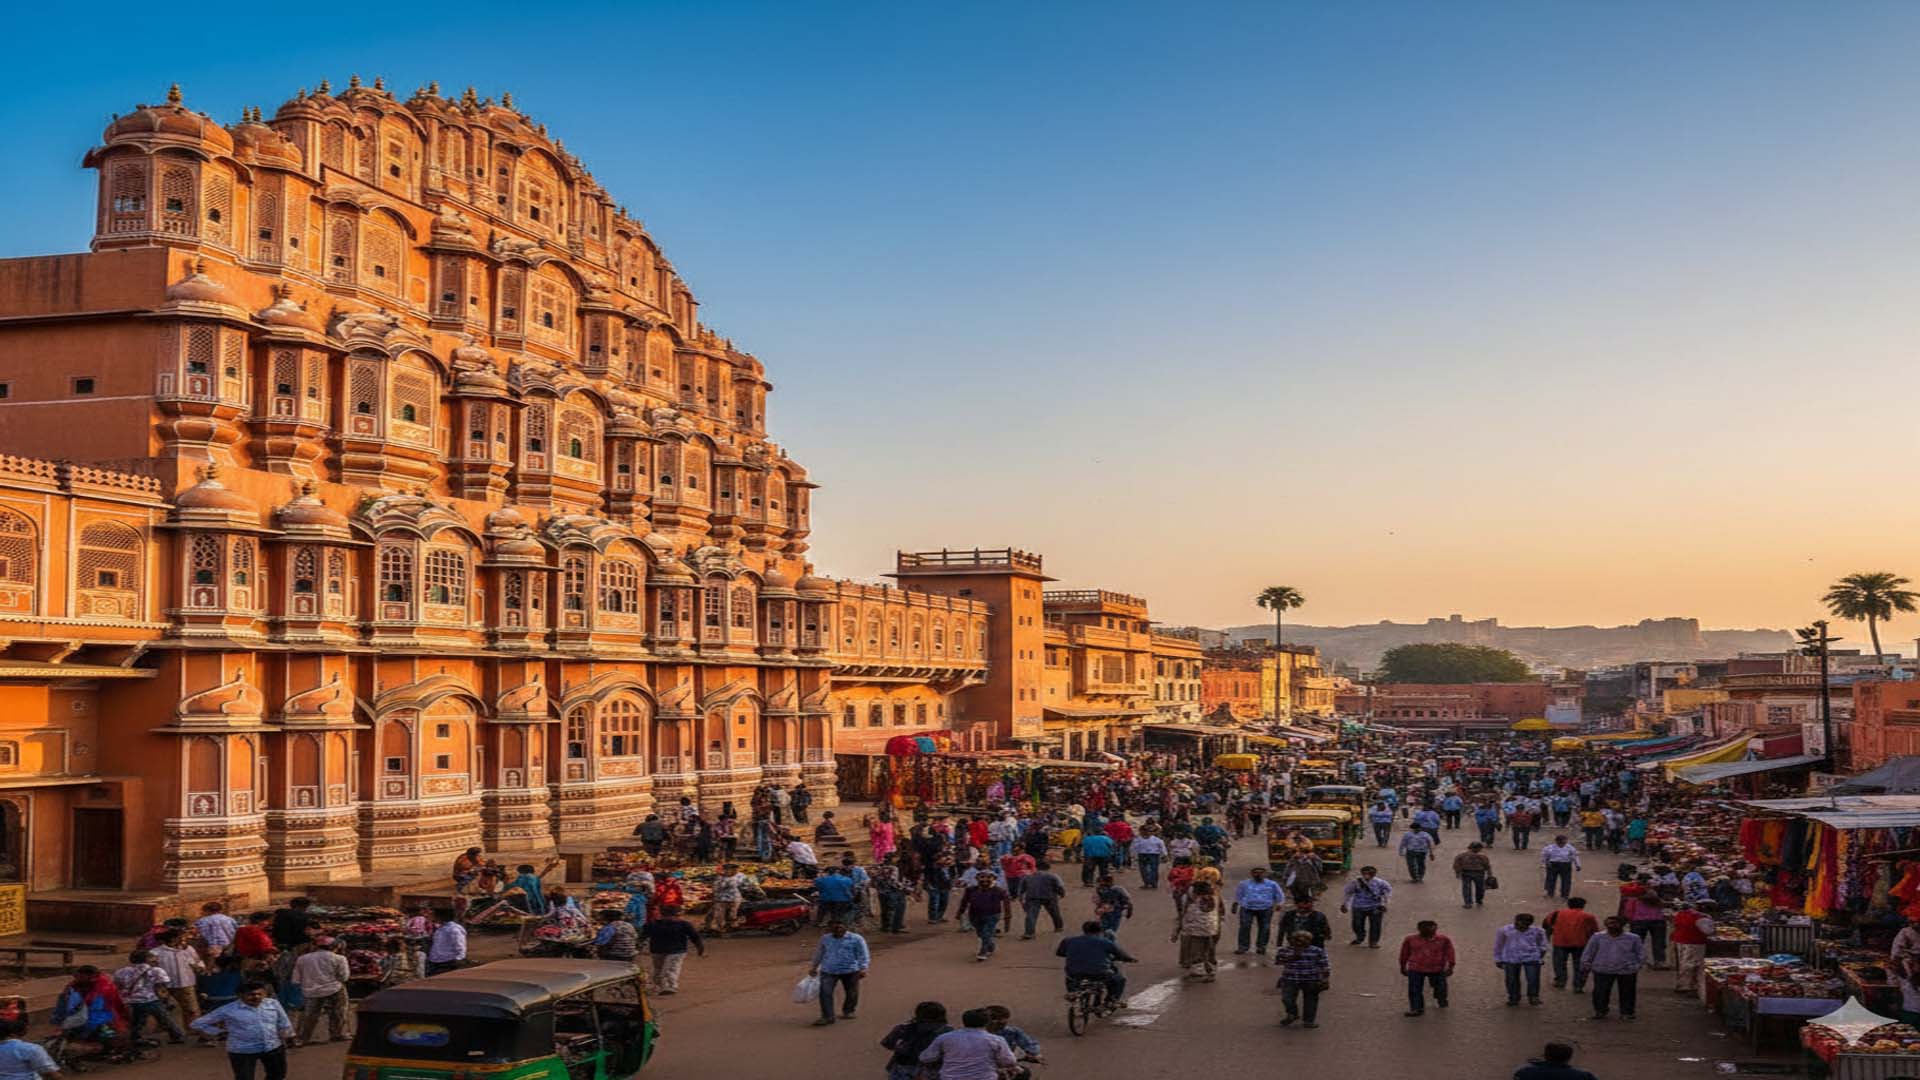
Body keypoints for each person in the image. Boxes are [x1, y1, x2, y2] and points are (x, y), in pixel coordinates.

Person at [190, 981, 292, 1080]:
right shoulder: (228, 1010)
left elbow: (284, 1021)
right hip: (243, 1050)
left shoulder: (273, 1004)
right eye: (251, 994)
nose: (256, 997)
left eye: (260, 994)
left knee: (278, 1075)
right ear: (240, 995)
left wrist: (288, 1037)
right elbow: (197, 1024)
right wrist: (218, 1032)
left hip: (272, 1047)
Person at [917, 1008, 1015, 1080]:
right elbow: (1009, 1061)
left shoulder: (945, 1038)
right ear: (987, 1023)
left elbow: (925, 1058)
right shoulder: (996, 1040)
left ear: (964, 1021)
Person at [1580, 915, 1645, 1020]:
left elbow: (1640, 954)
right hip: (1602, 968)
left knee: (1627, 992)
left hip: (1626, 970)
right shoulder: (1598, 937)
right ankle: (1600, 1011)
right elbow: (1589, 951)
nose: (1612, 926)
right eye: (1609, 923)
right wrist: (1586, 963)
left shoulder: (1633, 938)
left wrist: (1637, 966)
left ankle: (1627, 1012)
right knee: (1600, 992)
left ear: (1622, 925)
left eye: (1615, 923)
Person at [113, 949, 183, 1045]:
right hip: (151, 999)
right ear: (147, 959)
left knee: (137, 1021)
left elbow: (118, 985)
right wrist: (164, 998)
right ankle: (176, 1036)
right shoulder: (156, 971)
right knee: (164, 1018)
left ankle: (135, 1037)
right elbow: (162, 986)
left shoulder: (122, 971)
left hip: (133, 1001)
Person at [1057, 920, 1134, 1007]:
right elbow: (1120, 954)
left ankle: (1072, 991)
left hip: (1074, 973)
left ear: (1084, 930)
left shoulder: (1068, 940)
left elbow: (1060, 953)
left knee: (1070, 977)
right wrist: (1130, 959)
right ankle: (1112, 1000)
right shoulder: (1105, 942)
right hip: (1100, 973)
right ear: (1100, 931)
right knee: (1119, 979)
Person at [290, 937, 350, 1046]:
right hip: (334, 988)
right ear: (334, 947)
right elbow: (344, 977)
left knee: (309, 1015)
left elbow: (296, 979)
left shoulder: (302, 959)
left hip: (310, 991)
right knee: (339, 1011)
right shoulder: (339, 958)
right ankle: (337, 1033)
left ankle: (302, 1038)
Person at [150, 928, 207, 1043]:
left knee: (192, 1009)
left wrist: (200, 968)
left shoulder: (188, 950)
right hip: (164, 986)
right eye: (182, 938)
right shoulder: (155, 953)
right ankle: (171, 1031)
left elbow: (198, 961)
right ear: (173, 939)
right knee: (164, 1010)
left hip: (186, 983)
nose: (185, 940)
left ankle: (193, 1030)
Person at [808, 921, 868, 1026]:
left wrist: (863, 968)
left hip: (850, 970)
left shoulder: (856, 938)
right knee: (825, 993)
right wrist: (814, 967)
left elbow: (863, 953)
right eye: (835, 928)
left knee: (852, 992)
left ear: (845, 928)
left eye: (840, 927)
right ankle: (828, 1016)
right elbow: (819, 953)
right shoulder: (825, 939)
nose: (838, 930)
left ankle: (848, 1011)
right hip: (829, 970)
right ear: (830, 929)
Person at [639, 906, 704, 995]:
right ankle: (662, 986)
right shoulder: (683, 924)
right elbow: (695, 937)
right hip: (671, 950)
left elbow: (642, 936)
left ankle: (667, 986)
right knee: (664, 969)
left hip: (665, 951)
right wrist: (700, 948)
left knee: (665, 968)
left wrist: (638, 945)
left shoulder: (653, 924)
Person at [1274, 929, 1331, 1028]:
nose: (1300, 942)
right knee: (1287, 999)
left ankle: (1308, 1021)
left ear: (1309, 940)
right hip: (1290, 978)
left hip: (1311, 979)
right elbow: (1278, 962)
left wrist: (1325, 979)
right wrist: (1291, 957)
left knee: (1311, 1001)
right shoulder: (1285, 950)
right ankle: (1292, 1013)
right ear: (1292, 940)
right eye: (1297, 940)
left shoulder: (1317, 951)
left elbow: (1325, 966)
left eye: (1304, 940)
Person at [881, 1002, 952, 1080]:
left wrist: (900, 1048)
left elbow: (887, 1043)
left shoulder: (903, 1028)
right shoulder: (947, 1030)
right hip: (932, 1069)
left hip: (903, 1066)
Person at [1398, 920, 1455, 1017]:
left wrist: (1451, 966)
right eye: (1426, 928)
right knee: (1414, 989)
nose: (1430, 931)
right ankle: (1416, 1008)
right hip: (1416, 968)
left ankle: (1440, 998)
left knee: (1440, 987)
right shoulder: (1410, 940)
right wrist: (1403, 966)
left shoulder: (1443, 940)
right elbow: (1404, 953)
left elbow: (1450, 952)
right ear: (1419, 929)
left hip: (1437, 968)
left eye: (1432, 928)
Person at [1545, 897, 1600, 991]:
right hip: (1580, 943)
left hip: (1560, 941)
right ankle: (1578, 985)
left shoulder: (1557, 913)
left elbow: (1547, 925)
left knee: (1559, 963)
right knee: (1579, 964)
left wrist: (1547, 938)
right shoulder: (1588, 916)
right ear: (1583, 905)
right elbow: (1594, 931)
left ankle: (1560, 981)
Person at [1494, 913, 1549, 1007]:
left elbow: (1542, 944)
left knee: (1533, 978)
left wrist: (1539, 956)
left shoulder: (1538, 931)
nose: (1520, 926)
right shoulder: (1504, 930)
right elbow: (1498, 945)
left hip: (1531, 957)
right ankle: (1513, 997)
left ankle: (1533, 996)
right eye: (1517, 924)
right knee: (1511, 979)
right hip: (1510, 957)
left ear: (1529, 924)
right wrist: (1498, 958)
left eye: (1523, 925)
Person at [1173, 882, 1222, 981]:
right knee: (1208, 950)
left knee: (1196, 951)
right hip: (1211, 929)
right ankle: (1210, 971)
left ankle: (1199, 973)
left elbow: (1184, 913)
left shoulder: (1191, 899)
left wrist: (1178, 930)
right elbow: (1220, 913)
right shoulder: (1215, 898)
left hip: (1195, 930)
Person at [959, 872, 1012, 961]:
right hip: (974, 915)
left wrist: (1008, 916)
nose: (985, 880)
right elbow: (964, 901)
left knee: (986, 932)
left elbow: (1007, 904)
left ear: (993, 879)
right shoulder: (971, 890)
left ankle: (983, 952)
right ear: (977, 879)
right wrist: (960, 912)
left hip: (992, 915)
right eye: (982, 877)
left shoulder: (999, 891)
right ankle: (990, 945)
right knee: (981, 933)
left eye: (988, 878)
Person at [1232, 866, 1284, 955]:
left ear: (1265, 874)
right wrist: (1235, 904)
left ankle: (1261, 947)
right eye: (1256, 872)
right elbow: (1238, 895)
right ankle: (1243, 947)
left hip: (1266, 908)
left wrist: (1279, 904)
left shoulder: (1272, 884)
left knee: (1265, 928)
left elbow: (1279, 894)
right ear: (1252, 874)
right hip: (1247, 908)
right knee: (1245, 926)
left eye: (1261, 872)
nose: (1258, 874)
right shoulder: (1244, 884)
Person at [1670, 900, 1716, 995]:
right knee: (1692, 964)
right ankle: (1688, 986)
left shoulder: (1682, 913)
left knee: (1683, 962)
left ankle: (1682, 984)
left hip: (1680, 940)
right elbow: (1708, 931)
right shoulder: (1702, 918)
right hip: (1694, 942)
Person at [1340, 865, 1392, 947]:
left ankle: (1373, 942)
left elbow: (1387, 893)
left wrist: (1383, 904)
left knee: (1376, 926)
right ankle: (1359, 937)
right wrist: (1345, 904)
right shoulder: (1355, 882)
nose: (1367, 876)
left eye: (1369, 874)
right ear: (1362, 873)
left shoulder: (1381, 883)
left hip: (1375, 907)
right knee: (1357, 925)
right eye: (1365, 874)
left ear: (1374, 874)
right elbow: (1348, 893)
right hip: (1358, 906)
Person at [1019, 860, 1067, 939]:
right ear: (1048, 868)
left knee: (1031, 915)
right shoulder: (1052, 876)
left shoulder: (1028, 877)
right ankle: (1059, 927)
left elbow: (1021, 889)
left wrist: (1021, 898)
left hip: (1032, 897)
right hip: (1049, 897)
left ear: (1036, 868)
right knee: (1054, 912)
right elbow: (1058, 887)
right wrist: (1062, 894)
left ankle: (1029, 933)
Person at [1513, 1041, 1599, 1080]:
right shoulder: (1583, 1076)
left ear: (1546, 1056)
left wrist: (1537, 1063)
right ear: (1568, 1058)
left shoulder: (1525, 1072)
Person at [706, 863, 751, 934]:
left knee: (732, 914)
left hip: (735, 898)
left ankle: (731, 927)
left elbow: (746, 885)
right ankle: (719, 929)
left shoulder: (741, 876)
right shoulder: (720, 877)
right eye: (727, 869)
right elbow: (716, 888)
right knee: (719, 915)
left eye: (735, 869)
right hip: (721, 899)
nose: (731, 871)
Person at [425, 908, 466, 976]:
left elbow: (460, 946)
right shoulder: (441, 928)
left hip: (447, 962)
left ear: (441, 916)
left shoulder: (454, 929)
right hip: (435, 961)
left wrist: (459, 960)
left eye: (435, 915)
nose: (433, 917)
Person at [1540, 835, 1581, 900]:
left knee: (1566, 880)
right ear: (1556, 841)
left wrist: (1578, 865)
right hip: (1552, 864)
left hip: (1565, 865)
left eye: (1564, 843)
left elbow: (1575, 856)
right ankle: (1550, 893)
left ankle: (1565, 895)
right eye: (1560, 843)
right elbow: (1544, 856)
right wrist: (1544, 864)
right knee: (1550, 879)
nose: (1562, 844)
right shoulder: (1549, 848)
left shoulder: (1570, 847)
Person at [1453, 842, 1492, 908]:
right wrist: (1489, 874)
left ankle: (1468, 903)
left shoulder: (1461, 855)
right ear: (1479, 848)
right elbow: (1487, 866)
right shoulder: (1483, 856)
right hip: (1479, 873)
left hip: (1466, 873)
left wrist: (1457, 873)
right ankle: (1479, 900)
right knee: (1480, 888)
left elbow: (1456, 865)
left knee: (1466, 888)